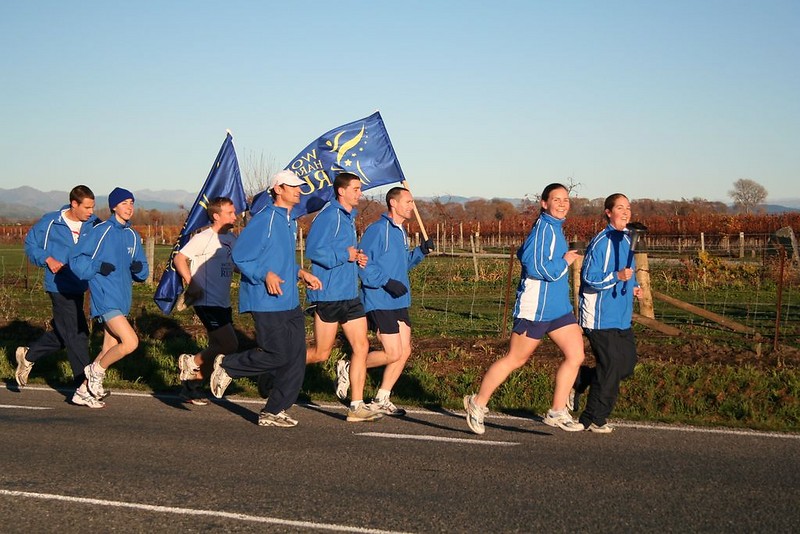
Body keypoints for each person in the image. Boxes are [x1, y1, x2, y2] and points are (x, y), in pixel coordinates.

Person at [464, 183, 585, 434]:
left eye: (566, 199)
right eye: (557, 199)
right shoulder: (543, 229)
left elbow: (524, 253)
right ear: (544, 203)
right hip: (536, 308)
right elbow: (536, 268)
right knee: (516, 359)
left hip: (558, 307)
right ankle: (477, 403)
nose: (563, 204)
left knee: (576, 355)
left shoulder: (555, 228)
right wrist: (566, 261)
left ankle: (557, 411)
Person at [209, 170, 321, 427]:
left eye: (299, 187)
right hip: (266, 299)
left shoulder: (289, 221)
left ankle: (274, 410)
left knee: (296, 356)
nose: (298, 190)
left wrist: (300, 272)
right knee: (278, 354)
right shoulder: (265, 219)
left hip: (289, 300)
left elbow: (278, 260)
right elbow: (241, 257)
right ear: (278, 189)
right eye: (292, 186)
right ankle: (228, 365)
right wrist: (264, 275)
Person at [303, 171, 382, 423]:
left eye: (360, 189)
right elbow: (314, 251)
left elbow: (343, 251)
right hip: (329, 295)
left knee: (362, 346)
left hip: (350, 294)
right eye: (356, 189)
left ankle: (356, 405)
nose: (360, 193)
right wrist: (343, 256)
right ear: (341, 191)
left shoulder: (348, 218)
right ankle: (275, 364)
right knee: (320, 353)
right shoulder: (329, 216)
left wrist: (356, 257)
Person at [15, 185, 101, 408]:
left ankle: (29, 355)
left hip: (80, 285)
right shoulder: (51, 222)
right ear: (74, 204)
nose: (91, 211)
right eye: (87, 207)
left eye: (93, 206)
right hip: (58, 286)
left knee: (66, 332)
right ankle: (84, 386)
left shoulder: (94, 224)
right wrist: (48, 259)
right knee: (77, 334)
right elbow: (31, 245)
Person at [355, 187, 434, 416]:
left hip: (398, 299)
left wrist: (420, 252)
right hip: (379, 298)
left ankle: (381, 398)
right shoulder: (378, 230)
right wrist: (385, 281)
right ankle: (352, 368)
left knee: (404, 350)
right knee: (393, 353)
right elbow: (363, 264)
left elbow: (402, 265)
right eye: (408, 202)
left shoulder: (401, 231)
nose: (412, 206)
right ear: (393, 203)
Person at [70, 187, 149, 406]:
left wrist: (138, 268)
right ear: (114, 206)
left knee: (108, 348)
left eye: (132, 203)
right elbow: (76, 260)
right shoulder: (101, 230)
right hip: (105, 297)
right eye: (124, 203)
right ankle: (95, 371)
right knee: (131, 342)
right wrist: (96, 266)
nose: (129, 207)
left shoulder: (133, 235)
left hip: (123, 298)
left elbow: (143, 270)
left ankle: (83, 391)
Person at [574, 193, 641, 433]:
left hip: (622, 316)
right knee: (611, 366)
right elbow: (589, 279)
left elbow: (629, 271)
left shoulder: (627, 240)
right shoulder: (601, 242)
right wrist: (616, 277)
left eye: (628, 208)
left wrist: (635, 287)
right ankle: (592, 418)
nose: (625, 212)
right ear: (608, 212)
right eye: (620, 208)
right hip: (600, 317)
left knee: (626, 366)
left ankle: (580, 380)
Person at [173, 197, 239, 406]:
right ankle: (190, 362)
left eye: (234, 212)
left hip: (223, 301)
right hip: (206, 300)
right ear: (216, 216)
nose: (234, 216)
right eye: (230, 213)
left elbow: (236, 265)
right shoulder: (204, 237)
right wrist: (191, 282)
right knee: (230, 343)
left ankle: (192, 386)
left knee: (218, 346)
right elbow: (179, 259)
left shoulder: (232, 239)